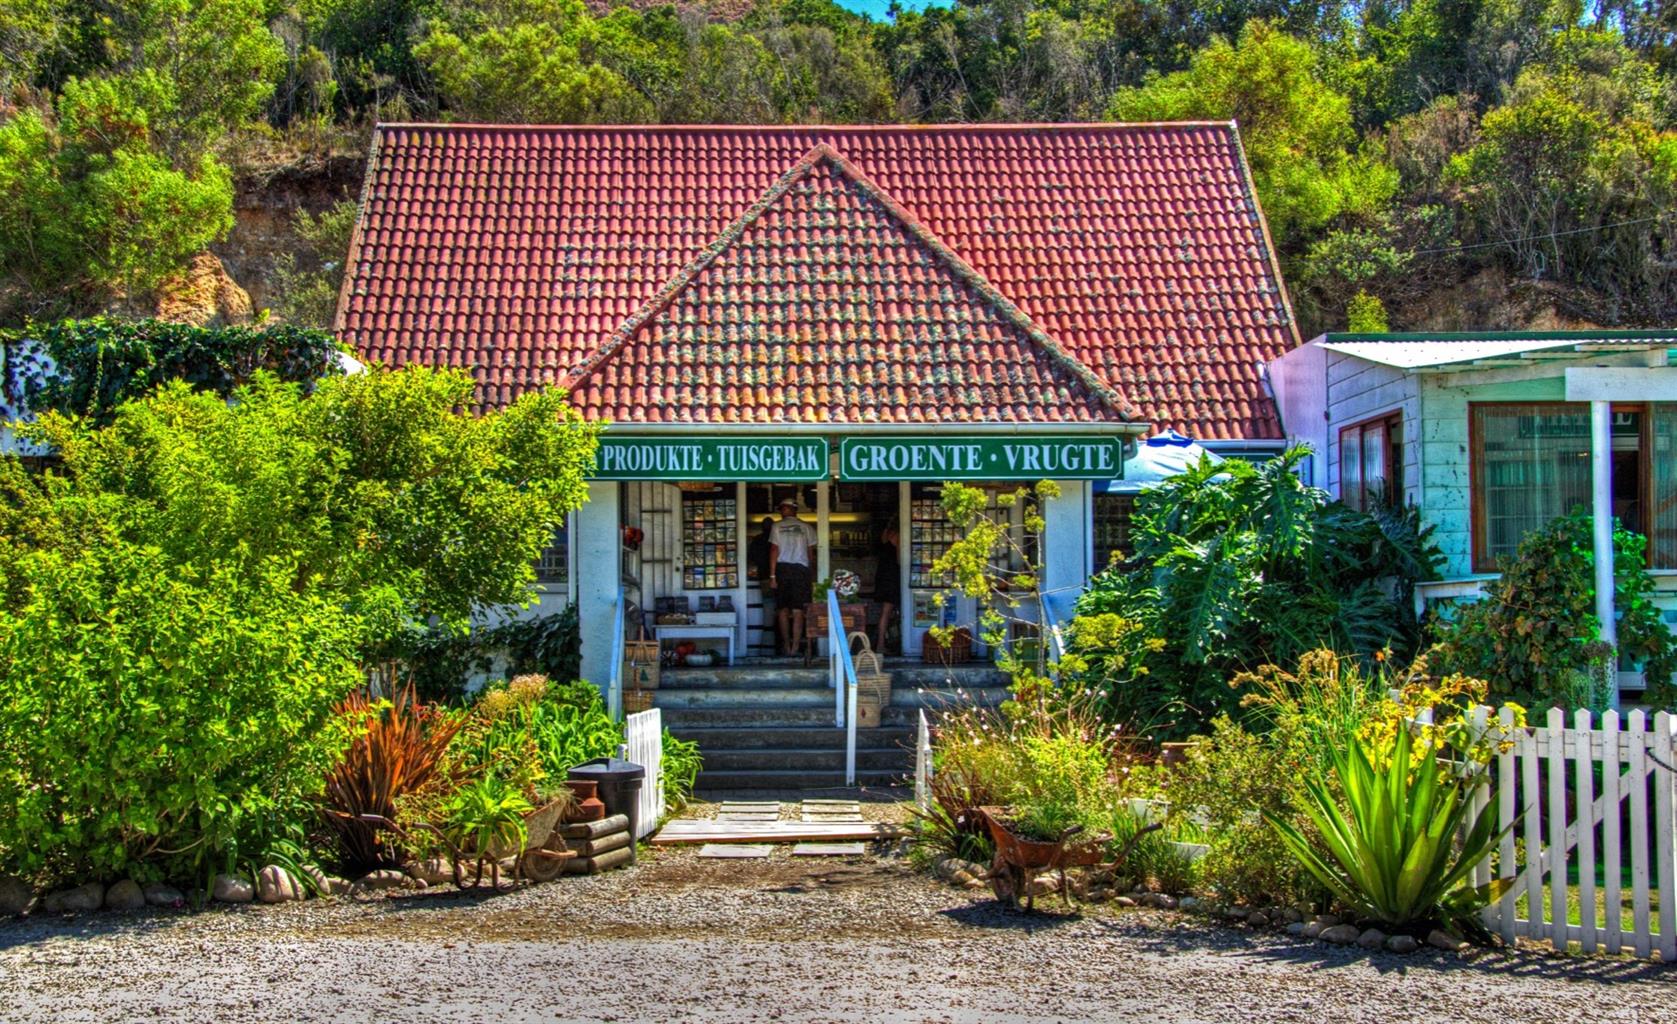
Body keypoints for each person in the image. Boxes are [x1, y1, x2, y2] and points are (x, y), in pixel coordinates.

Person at [768, 496, 816, 657]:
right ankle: (795, 646)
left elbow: (774, 551)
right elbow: (810, 554)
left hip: (783, 569)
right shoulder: (806, 527)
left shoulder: (777, 526)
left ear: (790, 509)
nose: (781, 511)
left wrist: (773, 575)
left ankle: (786, 645)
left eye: (783, 508)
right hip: (801, 570)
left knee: (782, 609)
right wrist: (812, 573)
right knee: (798, 610)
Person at [746, 516, 778, 652]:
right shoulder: (777, 541)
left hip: (761, 579)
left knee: (764, 611)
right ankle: (774, 644)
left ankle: (763, 645)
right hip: (777, 579)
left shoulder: (757, 541)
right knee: (777, 610)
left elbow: (750, 560)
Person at [873, 520, 901, 655]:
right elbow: (900, 559)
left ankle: (881, 643)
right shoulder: (898, 537)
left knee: (885, 612)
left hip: (883, 576)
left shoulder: (884, 536)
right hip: (892, 577)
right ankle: (880, 645)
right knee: (887, 612)